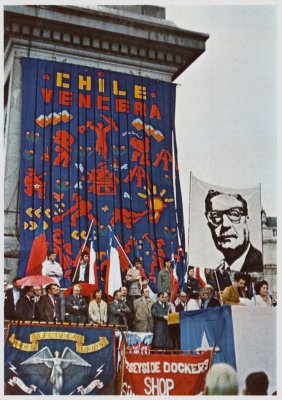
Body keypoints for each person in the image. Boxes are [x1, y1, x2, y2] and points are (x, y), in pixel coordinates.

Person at [205, 190, 263, 276]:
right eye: (215, 216)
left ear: (247, 219)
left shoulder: (258, 262)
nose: (225, 224)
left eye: (234, 214)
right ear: (209, 223)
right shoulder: (218, 270)